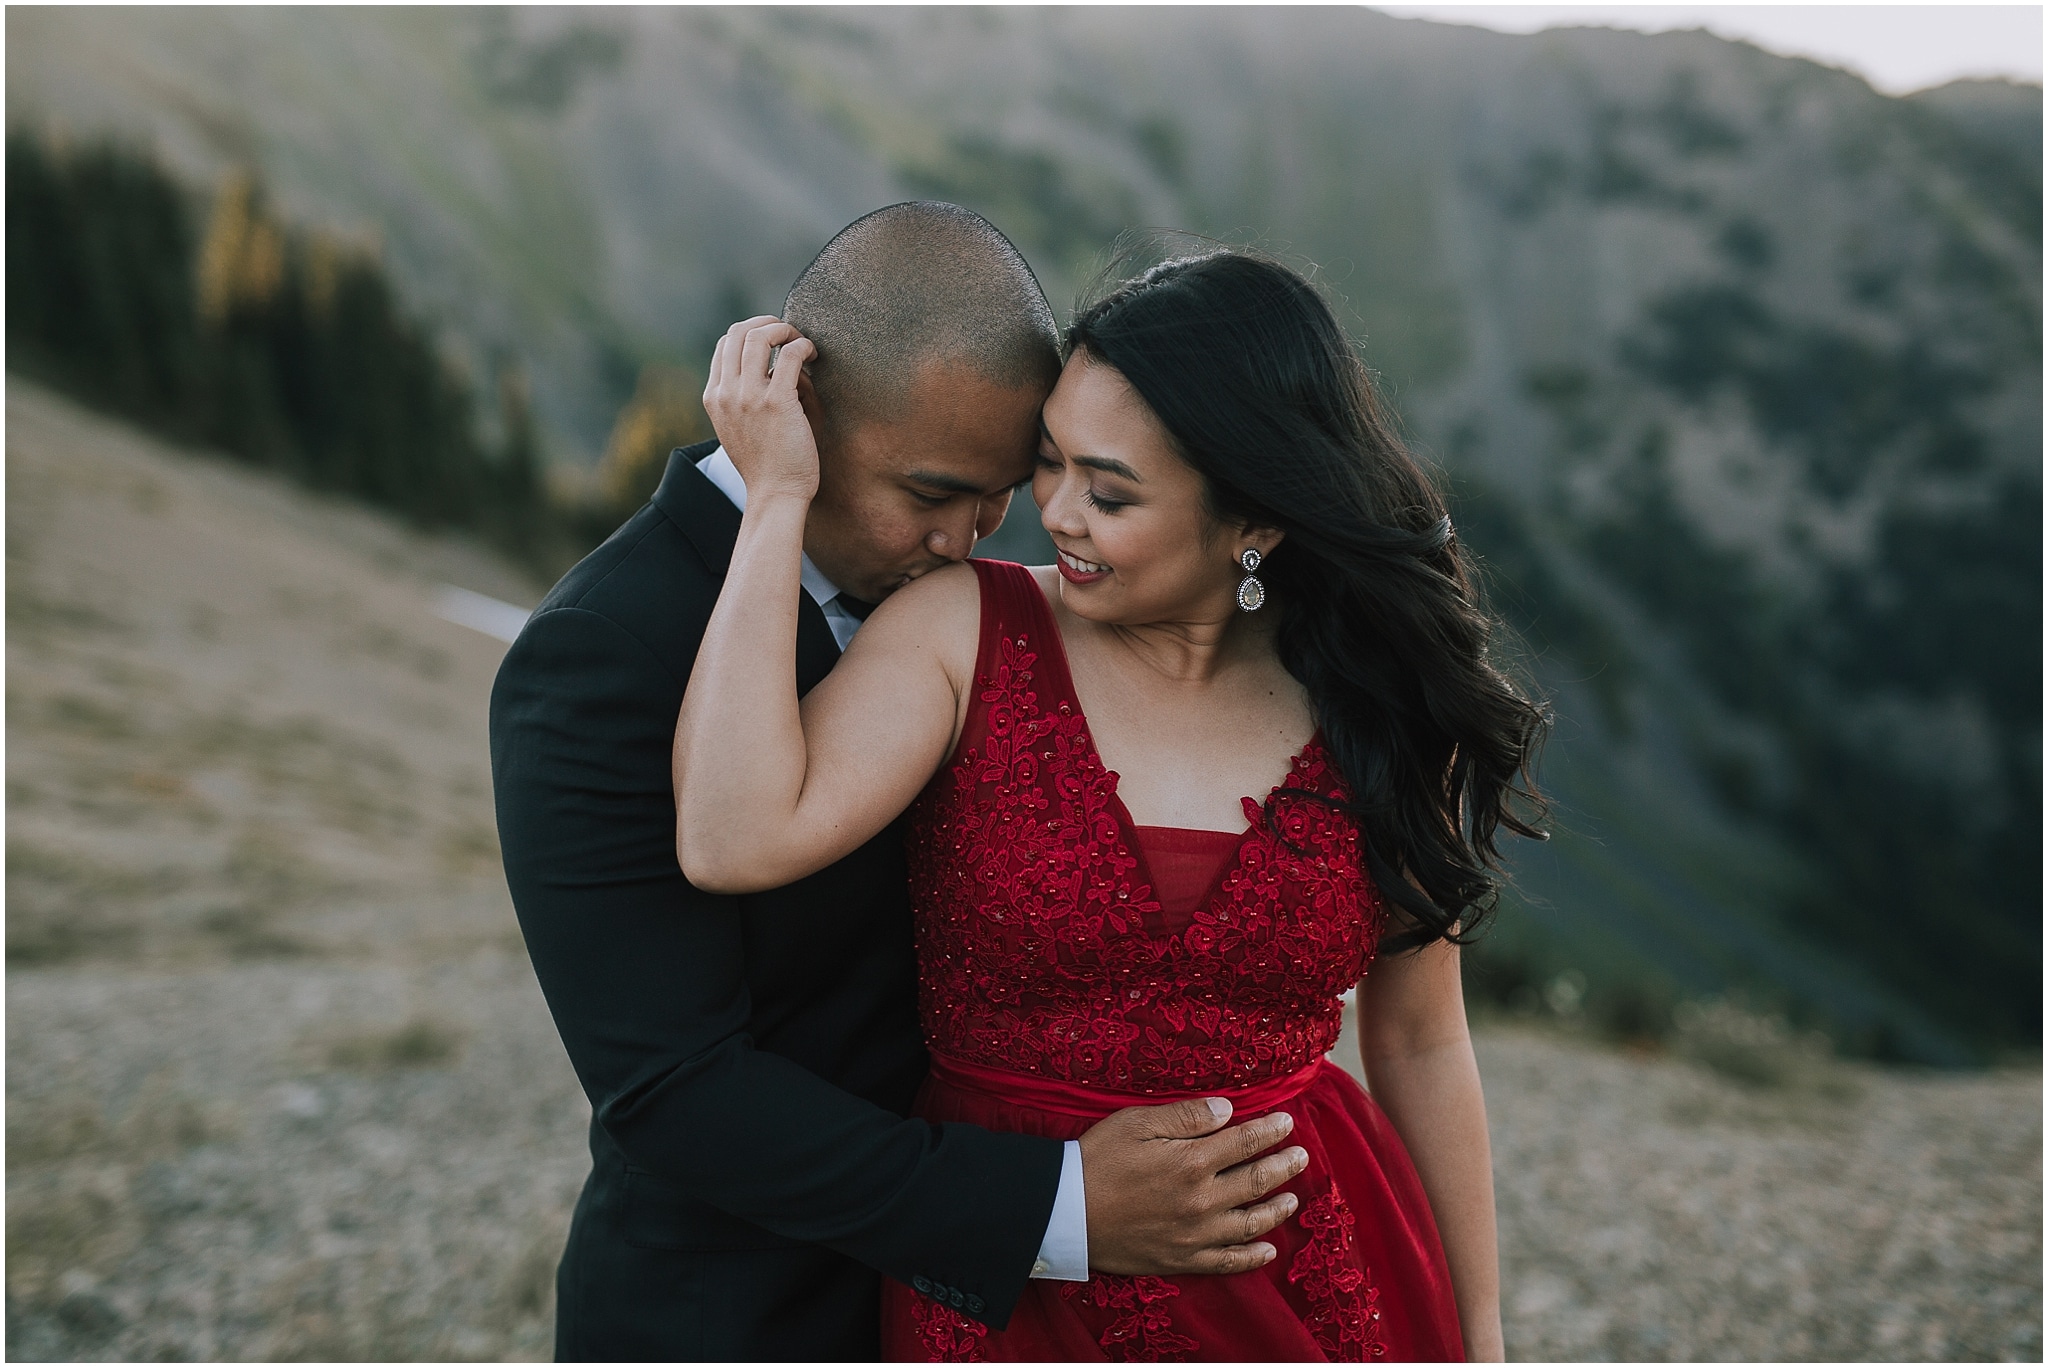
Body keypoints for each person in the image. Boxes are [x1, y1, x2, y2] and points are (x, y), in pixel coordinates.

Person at [674, 245, 1549, 1361]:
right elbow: (730, 834)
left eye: (1110, 490)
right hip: (1011, 1289)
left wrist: (1477, 1336)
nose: (1055, 514)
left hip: (1315, 1280)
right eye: (1050, 464)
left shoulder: (1377, 707)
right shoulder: (963, 630)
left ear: (1255, 522)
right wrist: (775, 501)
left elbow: (1422, 1043)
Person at [491, 206, 1309, 1362]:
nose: (964, 540)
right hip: (736, 1317)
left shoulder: (974, 609)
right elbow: (672, 1089)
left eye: (996, 498)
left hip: (994, 1317)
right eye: (930, 495)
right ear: (802, 415)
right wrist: (1058, 1206)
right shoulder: (599, 650)